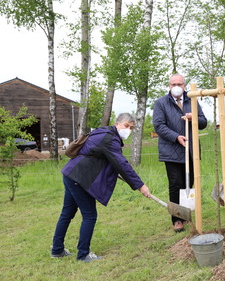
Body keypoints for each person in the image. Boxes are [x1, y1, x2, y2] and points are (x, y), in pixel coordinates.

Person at [51, 113, 151, 262]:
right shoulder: (110, 138)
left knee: (67, 213)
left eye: (131, 128)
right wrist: (140, 185)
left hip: (71, 173)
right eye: (126, 126)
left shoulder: (104, 132)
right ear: (117, 124)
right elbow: (122, 163)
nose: (128, 130)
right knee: (89, 215)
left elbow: (108, 159)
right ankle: (83, 254)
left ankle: (57, 250)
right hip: (79, 177)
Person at [153, 73, 207, 232]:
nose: (176, 87)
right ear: (169, 86)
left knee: (189, 183)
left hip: (191, 151)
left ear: (184, 86)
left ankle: (185, 215)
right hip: (171, 150)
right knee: (175, 184)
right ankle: (177, 219)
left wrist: (194, 117)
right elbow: (159, 126)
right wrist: (176, 137)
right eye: (173, 84)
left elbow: (203, 122)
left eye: (180, 84)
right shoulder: (161, 103)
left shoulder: (193, 100)